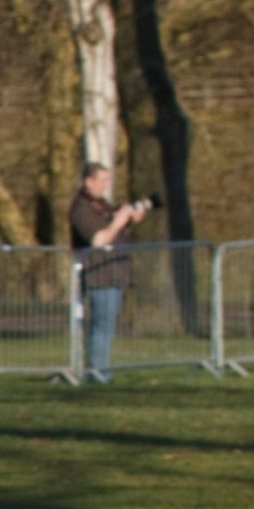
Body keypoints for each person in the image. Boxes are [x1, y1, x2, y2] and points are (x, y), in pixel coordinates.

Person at [68, 163, 151, 382]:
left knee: (107, 326)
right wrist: (118, 221)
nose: (106, 185)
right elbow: (99, 240)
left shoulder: (101, 205)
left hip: (114, 272)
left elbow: (113, 232)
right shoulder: (81, 209)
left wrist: (128, 222)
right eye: (103, 180)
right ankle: (98, 373)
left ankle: (101, 371)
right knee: (101, 327)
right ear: (89, 181)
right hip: (99, 275)